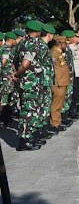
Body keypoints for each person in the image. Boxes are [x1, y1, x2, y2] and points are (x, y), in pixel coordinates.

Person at [13, 20, 45, 151]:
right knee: (28, 111)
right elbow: (25, 64)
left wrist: (17, 74)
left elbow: (14, 59)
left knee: (29, 109)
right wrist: (17, 74)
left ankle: (28, 136)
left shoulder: (21, 43)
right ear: (37, 32)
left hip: (25, 81)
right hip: (30, 82)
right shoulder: (31, 44)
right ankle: (24, 141)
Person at [49, 35, 70, 133]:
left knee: (59, 104)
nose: (66, 45)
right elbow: (51, 68)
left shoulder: (59, 52)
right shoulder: (54, 53)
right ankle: (54, 124)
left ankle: (57, 122)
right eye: (65, 43)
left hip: (62, 82)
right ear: (60, 43)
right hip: (58, 82)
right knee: (56, 105)